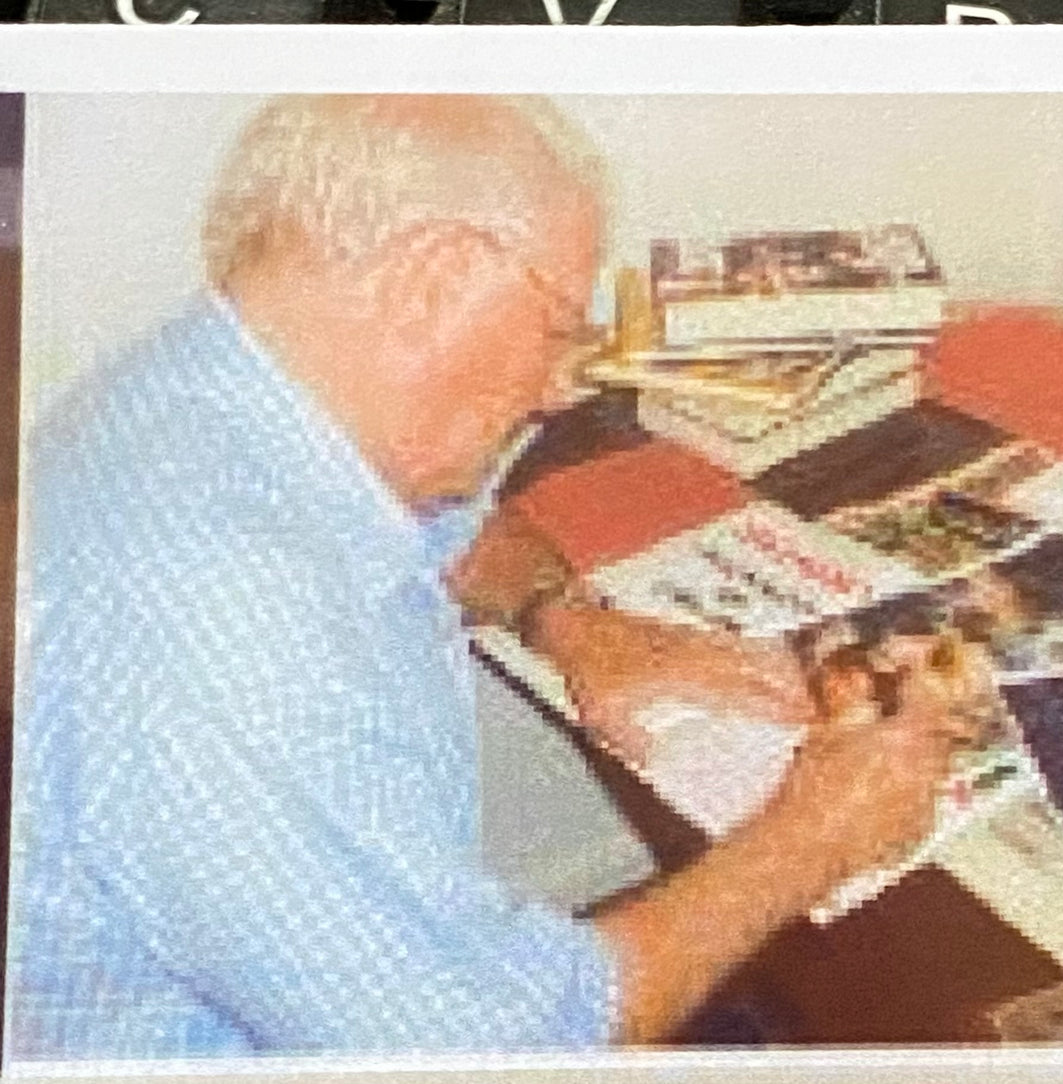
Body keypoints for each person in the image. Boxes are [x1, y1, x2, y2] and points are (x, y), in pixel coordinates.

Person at [6, 95, 991, 1061]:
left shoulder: (212, 394)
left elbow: (447, 530)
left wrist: (563, 617)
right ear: (438, 278)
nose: (564, 383)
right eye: (560, 326)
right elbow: (503, 1041)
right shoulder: (228, 641)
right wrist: (815, 833)